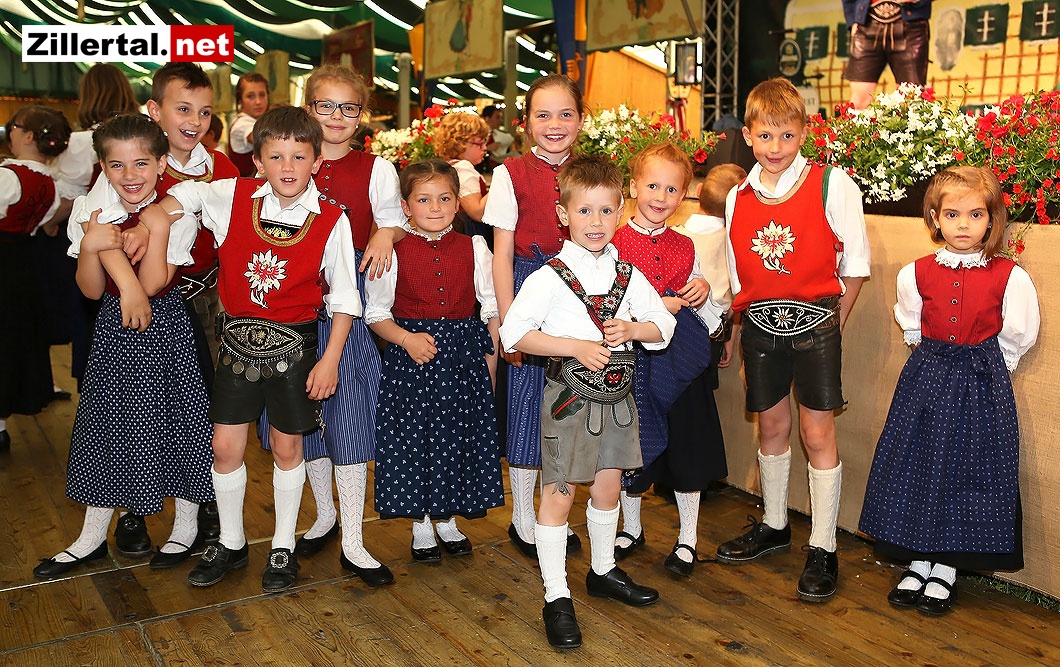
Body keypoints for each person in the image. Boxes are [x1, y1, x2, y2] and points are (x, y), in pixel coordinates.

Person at [141, 105, 361, 593]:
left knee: (287, 447)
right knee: (224, 447)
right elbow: (188, 193)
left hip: (296, 349)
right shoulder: (232, 196)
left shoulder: (332, 220)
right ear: (257, 161)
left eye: (299, 156)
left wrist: (330, 360)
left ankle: (282, 544)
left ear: (317, 160)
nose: (288, 166)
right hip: (236, 346)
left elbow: (346, 297)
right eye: (276, 156)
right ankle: (232, 541)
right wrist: (157, 215)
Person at [500, 156, 675, 649]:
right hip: (568, 401)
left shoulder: (628, 274)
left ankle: (602, 570)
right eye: (583, 211)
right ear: (563, 214)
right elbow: (514, 334)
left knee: (608, 487)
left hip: (618, 399)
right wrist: (574, 346)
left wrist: (634, 329)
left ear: (620, 211)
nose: (595, 222)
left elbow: (664, 326)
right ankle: (556, 595)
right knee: (559, 495)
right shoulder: (548, 278)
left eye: (605, 211)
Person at [34, 114, 213, 578]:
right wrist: (91, 245)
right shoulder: (91, 210)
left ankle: (186, 526)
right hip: (114, 334)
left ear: (161, 164)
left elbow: (153, 284)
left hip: (165, 330)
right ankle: (92, 535)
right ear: (103, 167)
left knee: (179, 424)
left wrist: (155, 234)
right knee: (106, 427)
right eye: (116, 165)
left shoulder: (176, 213)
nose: (130, 175)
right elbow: (91, 290)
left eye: (141, 164)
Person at [713, 77, 870, 603]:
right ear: (748, 136)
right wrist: (738, 335)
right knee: (772, 425)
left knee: (817, 431)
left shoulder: (832, 184)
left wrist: (831, 328)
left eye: (786, 135)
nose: (775, 147)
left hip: (816, 325)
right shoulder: (737, 197)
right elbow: (740, 276)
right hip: (760, 327)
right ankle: (775, 524)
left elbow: (856, 268)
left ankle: (823, 546)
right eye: (764, 136)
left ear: (804, 132)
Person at [859, 166, 1039, 615]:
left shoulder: (1009, 276)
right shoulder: (915, 273)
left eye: (976, 214)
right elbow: (913, 325)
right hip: (928, 382)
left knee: (966, 471)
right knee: (920, 464)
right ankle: (919, 559)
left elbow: (1017, 336)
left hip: (979, 385)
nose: (963, 225)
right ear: (935, 218)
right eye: (952, 214)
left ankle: (947, 566)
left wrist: (992, 370)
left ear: (992, 219)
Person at [255, 63, 405, 587]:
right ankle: (323, 514)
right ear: (308, 107)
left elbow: (394, 217)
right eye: (326, 106)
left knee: (349, 415)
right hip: (289, 303)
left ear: (361, 116)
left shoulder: (375, 168)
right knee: (301, 417)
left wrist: (385, 232)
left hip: (347, 303)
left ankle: (356, 542)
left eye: (349, 108)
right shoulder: (287, 159)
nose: (337, 117)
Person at [367, 160, 504, 564]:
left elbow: (490, 309)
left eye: (444, 198)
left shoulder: (473, 247)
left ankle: (447, 519)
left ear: (458, 203)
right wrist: (405, 339)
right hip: (413, 361)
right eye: (423, 199)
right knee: (416, 440)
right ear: (406, 206)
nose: (435, 207)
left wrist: (490, 366)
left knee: (456, 439)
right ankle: (422, 523)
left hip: (462, 361)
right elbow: (376, 313)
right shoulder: (393, 249)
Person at [610, 143, 728, 577]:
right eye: (653, 186)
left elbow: (699, 291)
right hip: (633, 356)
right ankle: (632, 527)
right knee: (631, 442)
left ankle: (688, 538)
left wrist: (702, 289)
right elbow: (604, 301)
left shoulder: (685, 244)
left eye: (671, 189)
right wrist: (653, 307)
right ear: (633, 187)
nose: (660, 197)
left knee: (686, 444)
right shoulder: (613, 243)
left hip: (681, 357)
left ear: (685, 195)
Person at [483, 74, 583, 559]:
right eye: (543, 115)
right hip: (528, 288)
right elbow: (502, 253)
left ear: (581, 120)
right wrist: (510, 324)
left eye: (565, 114)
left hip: (580, 293)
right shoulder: (511, 173)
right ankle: (523, 518)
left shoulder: (592, 170)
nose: (554, 124)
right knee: (526, 406)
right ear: (525, 123)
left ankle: (553, 515)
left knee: (570, 406)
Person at [146, 61, 240, 549]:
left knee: (205, 402)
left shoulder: (222, 166)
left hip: (207, 298)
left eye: (204, 112)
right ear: (155, 110)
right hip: (150, 299)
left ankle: (204, 498)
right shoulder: (138, 161)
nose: (195, 121)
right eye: (183, 109)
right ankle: (136, 506)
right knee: (146, 404)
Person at [54, 63, 142, 389]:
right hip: (132, 238)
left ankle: (96, 387)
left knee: (92, 325)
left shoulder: (80, 141)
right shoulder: (143, 133)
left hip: (91, 235)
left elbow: (65, 194)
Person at [0, 105, 70, 453]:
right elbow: (45, 221)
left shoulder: (8, 177)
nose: (9, 133)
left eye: (13, 127)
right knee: (10, 341)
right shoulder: (50, 184)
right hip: (22, 267)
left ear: (28, 136)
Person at [843, 0, 932, 109]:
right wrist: (852, 20)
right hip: (867, 21)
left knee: (909, 100)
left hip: (910, 22)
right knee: (859, 102)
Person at [432, 111, 491, 240]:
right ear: (461, 143)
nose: (485, 148)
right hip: (473, 236)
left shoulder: (450, 166)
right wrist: (504, 180)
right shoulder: (463, 168)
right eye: (480, 143)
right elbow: (478, 212)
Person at [227, 72, 268, 177]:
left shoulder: (258, 122)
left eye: (262, 95)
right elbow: (265, 140)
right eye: (250, 96)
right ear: (240, 100)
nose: (258, 101)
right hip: (244, 184)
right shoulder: (242, 124)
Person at [481, 104, 514, 170]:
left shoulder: (503, 135)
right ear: (487, 118)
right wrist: (487, 148)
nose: (500, 120)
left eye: (501, 118)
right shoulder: (479, 134)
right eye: (497, 117)